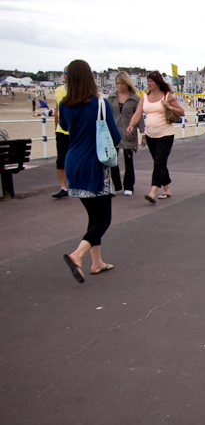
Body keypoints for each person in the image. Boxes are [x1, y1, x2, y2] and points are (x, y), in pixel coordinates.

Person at [59, 59, 121, 283]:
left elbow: (65, 128)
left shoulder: (64, 105)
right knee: (103, 219)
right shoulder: (100, 104)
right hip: (93, 163)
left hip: (73, 163)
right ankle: (78, 255)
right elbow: (115, 137)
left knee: (93, 216)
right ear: (89, 78)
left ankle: (97, 263)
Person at [127, 71, 184, 203]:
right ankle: (167, 190)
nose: (149, 83)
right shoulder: (145, 97)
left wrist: (168, 106)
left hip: (165, 134)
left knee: (159, 163)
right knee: (159, 163)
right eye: (148, 81)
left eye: (151, 81)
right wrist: (131, 125)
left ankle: (152, 192)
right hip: (151, 135)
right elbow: (138, 113)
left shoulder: (166, 95)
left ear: (158, 82)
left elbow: (181, 112)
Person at [107, 72, 145, 196]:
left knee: (128, 160)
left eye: (122, 83)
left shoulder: (135, 98)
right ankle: (116, 184)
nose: (120, 86)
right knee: (113, 160)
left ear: (127, 83)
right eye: (117, 83)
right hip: (113, 131)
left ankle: (129, 186)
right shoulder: (111, 97)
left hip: (128, 132)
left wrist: (143, 133)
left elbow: (139, 116)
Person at [52, 67, 70, 198]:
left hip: (76, 131)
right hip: (61, 131)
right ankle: (63, 187)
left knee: (76, 159)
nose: (66, 75)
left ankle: (76, 184)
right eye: (64, 73)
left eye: (68, 73)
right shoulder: (59, 90)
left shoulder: (80, 91)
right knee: (61, 159)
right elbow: (57, 110)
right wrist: (56, 127)